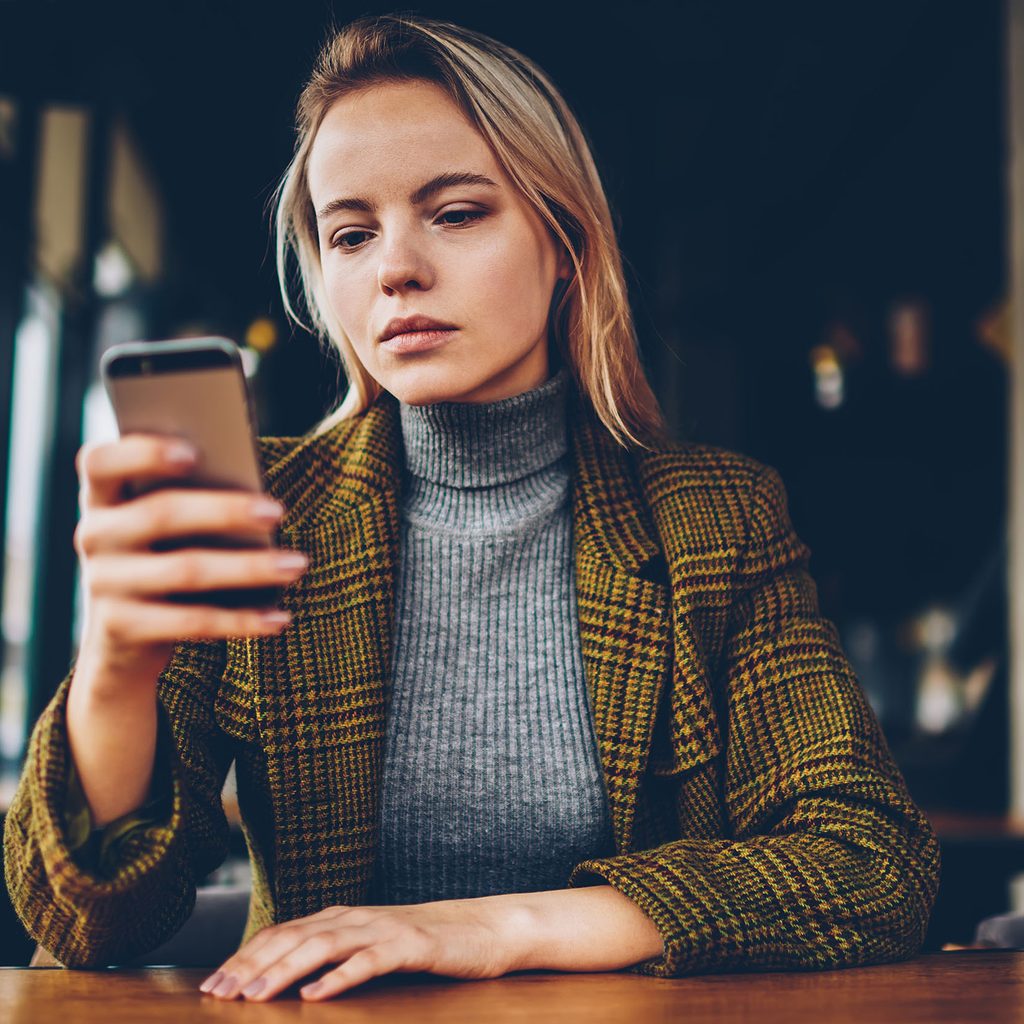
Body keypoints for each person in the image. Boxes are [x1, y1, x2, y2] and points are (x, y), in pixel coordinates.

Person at [3, 12, 940, 1002]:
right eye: (350, 233)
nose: (394, 268)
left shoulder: (717, 517)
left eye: (454, 213)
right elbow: (88, 923)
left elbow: (870, 862)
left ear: (564, 242)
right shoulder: (267, 515)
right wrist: (114, 673)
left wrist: (492, 926)